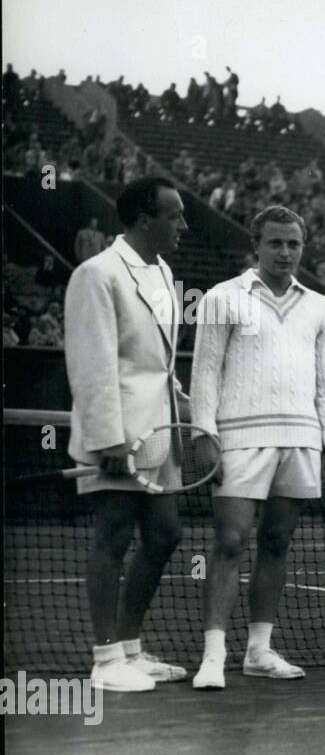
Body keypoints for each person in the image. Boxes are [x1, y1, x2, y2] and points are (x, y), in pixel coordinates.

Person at [189, 206, 325, 689]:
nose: (285, 252)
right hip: (239, 438)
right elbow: (205, 371)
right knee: (231, 541)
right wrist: (203, 433)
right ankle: (214, 655)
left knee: (277, 542)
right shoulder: (221, 297)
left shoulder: (319, 306)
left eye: (293, 244)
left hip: (300, 437)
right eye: (275, 243)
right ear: (255, 245)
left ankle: (259, 650)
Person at [63, 176, 190, 691]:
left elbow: (158, 361)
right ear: (144, 219)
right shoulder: (97, 274)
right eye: (174, 215)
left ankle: (131, 649)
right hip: (117, 435)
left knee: (165, 533)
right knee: (113, 536)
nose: (183, 224)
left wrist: (180, 403)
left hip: (159, 432)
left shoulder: (163, 271)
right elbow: (92, 362)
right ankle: (105, 659)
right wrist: (107, 437)